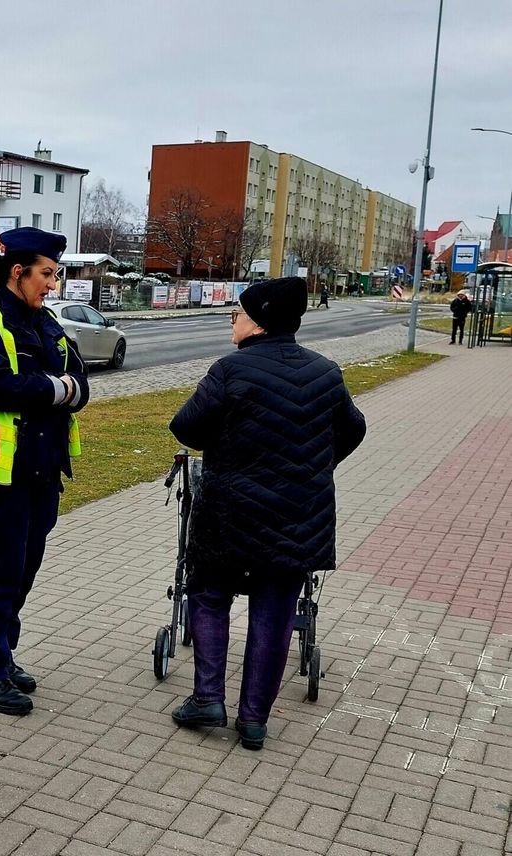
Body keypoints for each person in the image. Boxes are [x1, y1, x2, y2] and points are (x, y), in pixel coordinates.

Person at [168, 277, 366, 750]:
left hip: (229, 512)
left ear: (257, 322)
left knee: (211, 595)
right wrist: (315, 464)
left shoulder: (230, 371)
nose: (232, 322)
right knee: (275, 612)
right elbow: (353, 430)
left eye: (236, 314)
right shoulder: (326, 372)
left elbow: (186, 427)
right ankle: (254, 720)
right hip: (299, 515)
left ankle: (207, 698)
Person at [0, 226, 89, 716]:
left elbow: (83, 385)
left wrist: (50, 387)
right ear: (18, 272)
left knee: (26, 569)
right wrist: (57, 389)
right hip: (1, 474)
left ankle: (3, 655)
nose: (52, 284)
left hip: (46, 468)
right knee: (0, 571)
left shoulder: (48, 323)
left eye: (55, 274)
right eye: (47, 274)